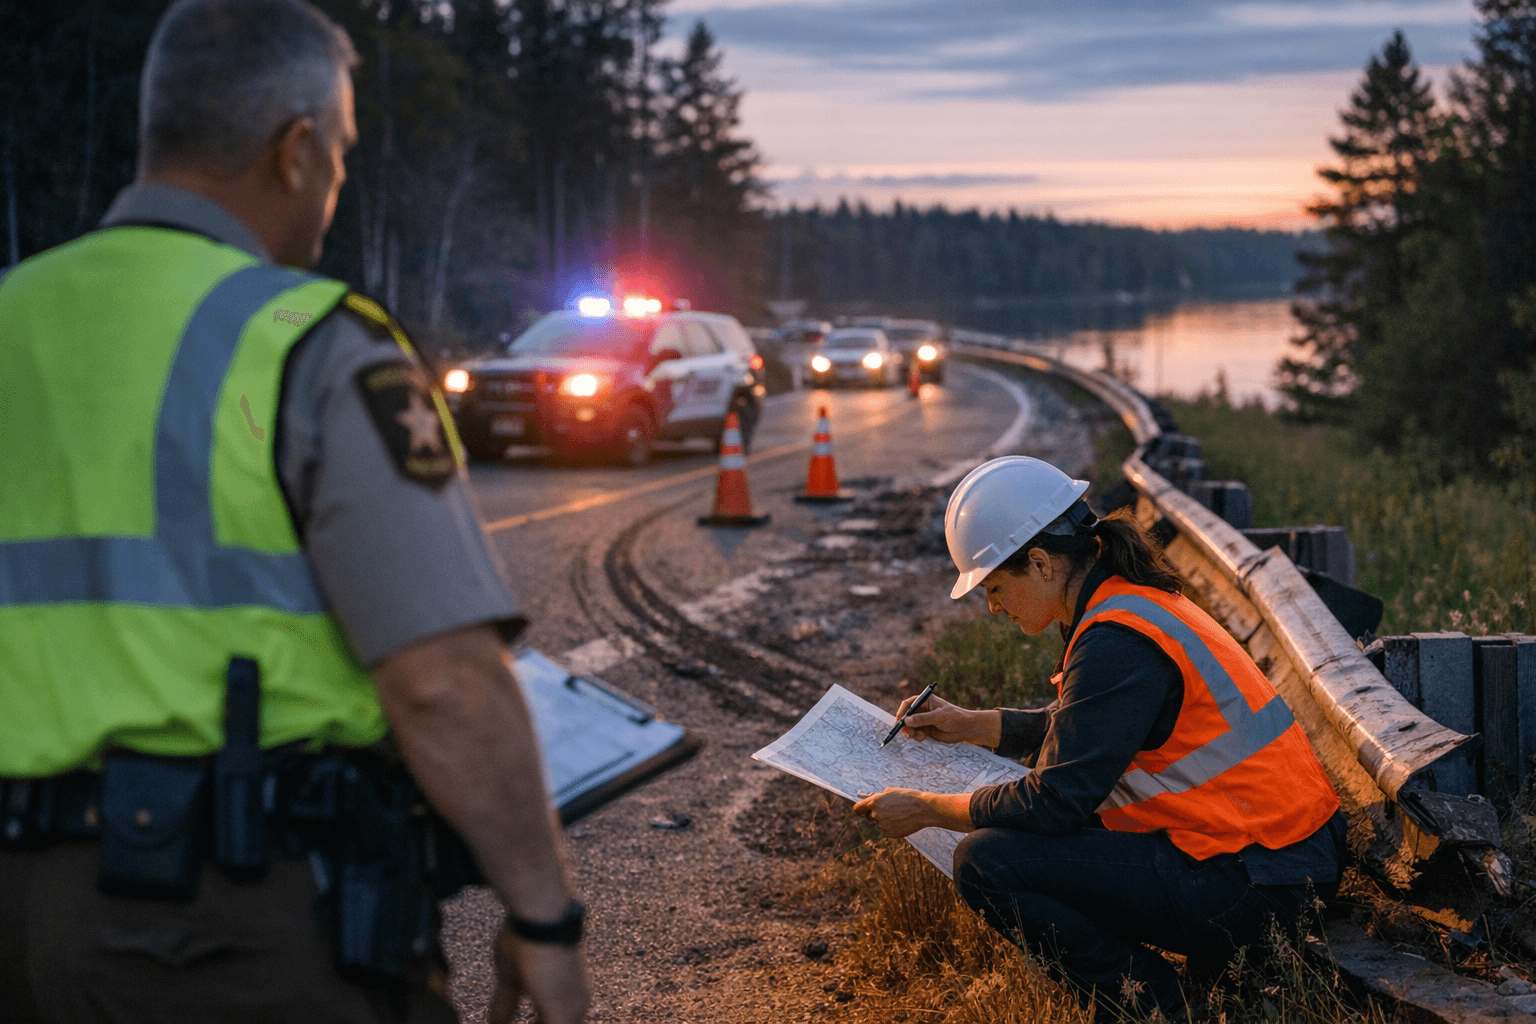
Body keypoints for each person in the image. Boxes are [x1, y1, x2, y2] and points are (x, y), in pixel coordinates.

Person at [0, 2, 588, 1021]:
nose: (339, 182)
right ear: (298, 151)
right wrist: (544, 913)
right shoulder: (312, 345)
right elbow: (443, 681)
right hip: (225, 927)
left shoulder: (17, 314)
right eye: (345, 153)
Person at [852, 456, 1345, 1021]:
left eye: (993, 588)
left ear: (1038, 564)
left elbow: (1056, 800)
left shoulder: (1115, 639)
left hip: (1261, 883)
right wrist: (976, 725)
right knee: (1034, 828)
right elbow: (1095, 730)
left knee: (987, 863)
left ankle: (1163, 1009)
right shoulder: (1128, 605)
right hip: (1279, 858)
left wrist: (928, 809)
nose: (992, 607)